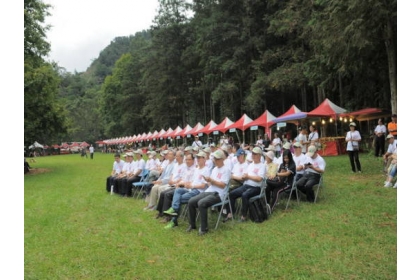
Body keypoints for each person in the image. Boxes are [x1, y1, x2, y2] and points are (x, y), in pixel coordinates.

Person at [186, 149, 231, 235]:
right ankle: (192, 225)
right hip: (210, 191)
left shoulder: (226, 170)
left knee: (201, 203)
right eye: (214, 159)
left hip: (219, 194)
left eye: (217, 159)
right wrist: (208, 181)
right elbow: (211, 183)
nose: (215, 161)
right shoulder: (214, 169)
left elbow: (223, 185)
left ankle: (204, 228)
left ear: (222, 159)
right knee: (191, 201)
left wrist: (212, 181)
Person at [163, 151, 210, 229]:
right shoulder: (197, 169)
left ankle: (173, 220)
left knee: (177, 200)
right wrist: (186, 184)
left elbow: (203, 185)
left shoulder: (206, 170)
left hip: (198, 191)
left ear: (204, 159)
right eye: (197, 157)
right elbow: (193, 181)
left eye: (200, 158)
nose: (198, 159)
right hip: (191, 189)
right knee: (177, 190)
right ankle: (174, 212)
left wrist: (192, 185)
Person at [227, 146, 266, 222]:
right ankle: (230, 213)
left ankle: (243, 216)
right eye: (252, 154)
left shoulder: (262, 166)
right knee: (231, 194)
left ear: (259, 155)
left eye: (255, 154)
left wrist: (248, 176)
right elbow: (246, 175)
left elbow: (259, 179)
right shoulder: (250, 165)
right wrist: (244, 176)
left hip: (256, 187)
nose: (253, 155)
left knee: (245, 195)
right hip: (246, 185)